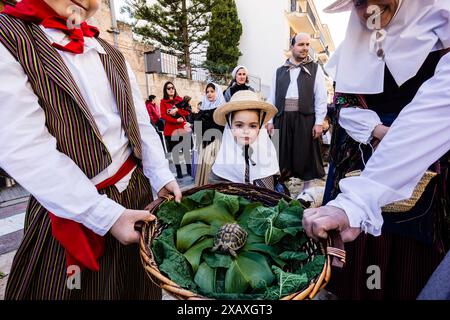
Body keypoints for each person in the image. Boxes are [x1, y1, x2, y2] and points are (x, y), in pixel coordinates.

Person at [0, 0, 182, 300]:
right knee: (74, 289)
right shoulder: (9, 39)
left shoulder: (109, 51)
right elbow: (25, 148)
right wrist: (105, 216)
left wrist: (160, 174)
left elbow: (139, 123)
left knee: (135, 287)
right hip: (72, 207)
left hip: (136, 196)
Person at [302, 0, 450, 300]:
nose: (368, 7)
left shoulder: (439, 33)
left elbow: (438, 110)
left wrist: (399, 137)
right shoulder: (353, 50)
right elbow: (343, 103)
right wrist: (377, 130)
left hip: (424, 152)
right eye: (358, 2)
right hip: (361, 152)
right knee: (363, 241)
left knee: (410, 248)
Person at [267, 33, 328, 192]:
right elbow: (271, 97)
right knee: (281, 158)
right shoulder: (279, 71)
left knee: (306, 158)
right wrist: (270, 121)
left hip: (305, 119)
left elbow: (321, 96)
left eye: (308, 45)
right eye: (301, 44)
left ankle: (305, 196)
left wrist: (319, 122)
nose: (305, 48)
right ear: (292, 46)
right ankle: (281, 194)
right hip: (282, 118)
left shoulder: (315, 69)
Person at [209, 90, 280, 190]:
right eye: (239, 125)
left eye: (253, 126)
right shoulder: (223, 162)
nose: (246, 131)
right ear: (230, 126)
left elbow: (269, 196)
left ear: (260, 127)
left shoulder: (266, 156)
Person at [193, 82, 225, 187]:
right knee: (204, 168)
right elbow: (196, 126)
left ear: (218, 92)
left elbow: (219, 126)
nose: (209, 94)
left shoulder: (221, 109)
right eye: (207, 92)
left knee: (211, 168)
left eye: (212, 91)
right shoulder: (203, 108)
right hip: (204, 143)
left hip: (215, 144)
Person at [160, 81, 192, 179]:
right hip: (171, 130)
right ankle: (179, 171)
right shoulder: (163, 102)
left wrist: (178, 110)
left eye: (172, 88)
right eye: (168, 88)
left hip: (182, 129)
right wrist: (176, 120)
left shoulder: (180, 100)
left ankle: (189, 169)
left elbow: (187, 112)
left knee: (186, 150)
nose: (171, 90)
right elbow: (164, 115)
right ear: (165, 90)